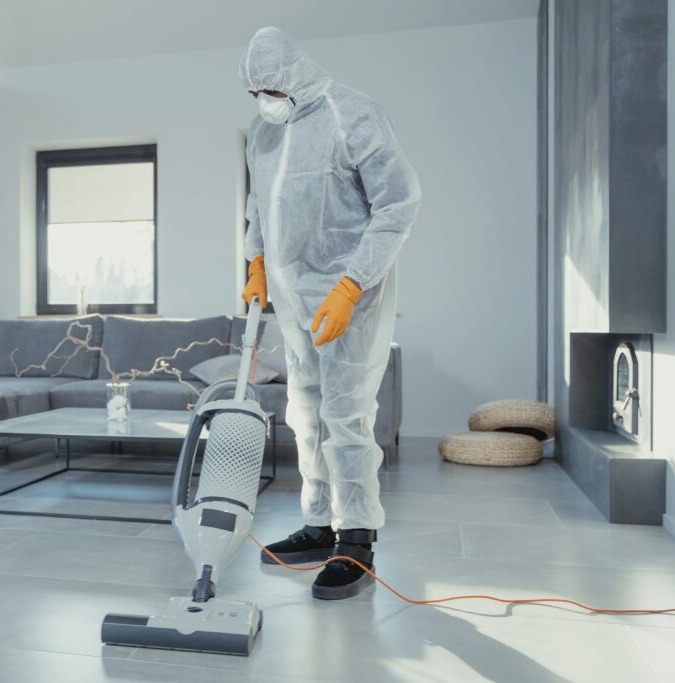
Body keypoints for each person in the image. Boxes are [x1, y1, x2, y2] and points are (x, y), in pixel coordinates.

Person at [240, 27, 421, 600]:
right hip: (293, 304)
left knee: (346, 418)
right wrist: (256, 263)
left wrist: (349, 285)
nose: (263, 98)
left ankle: (358, 539)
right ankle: (319, 524)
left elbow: (398, 202)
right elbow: (257, 205)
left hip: (351, 297)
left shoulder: (354, 114)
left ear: (294, 75)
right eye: (255, 91)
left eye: (270, 86)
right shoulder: (263, 131)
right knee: (305, 414)